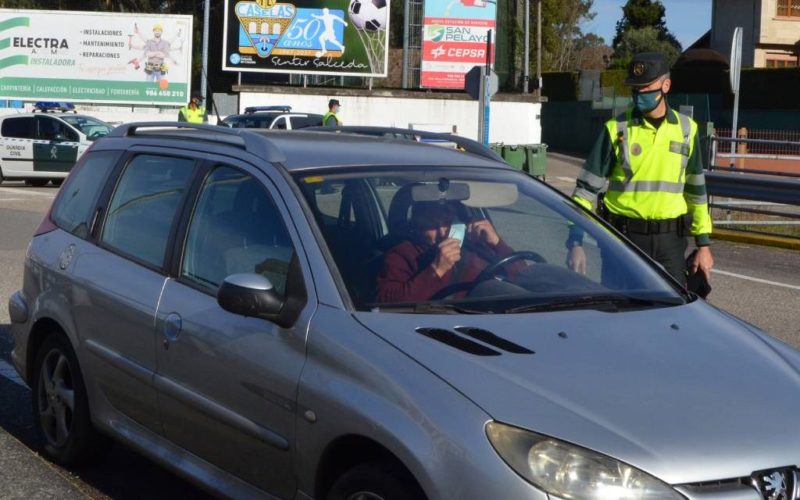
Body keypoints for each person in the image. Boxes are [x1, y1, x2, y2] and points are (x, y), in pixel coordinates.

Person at [566, 52, 714, 286]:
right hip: (624, 239)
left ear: (666, 85)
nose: (638, 94)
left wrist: (703, 245)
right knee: (621, 312)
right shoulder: (616, 129)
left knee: (671, 316)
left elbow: (696, 192)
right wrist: (575, 241)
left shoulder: (687, 130)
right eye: (634, 88)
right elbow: (584, 192)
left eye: (645, 87)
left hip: (670, 241)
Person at [376, 201, 518, 303]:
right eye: (431, 225)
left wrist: (497, 243)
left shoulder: (476, 244)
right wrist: (435, 271)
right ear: (417, 226)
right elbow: (387, 303)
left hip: (498, 313)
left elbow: (521, 277)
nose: (442, 232)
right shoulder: (402, 255)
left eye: (447, 222)